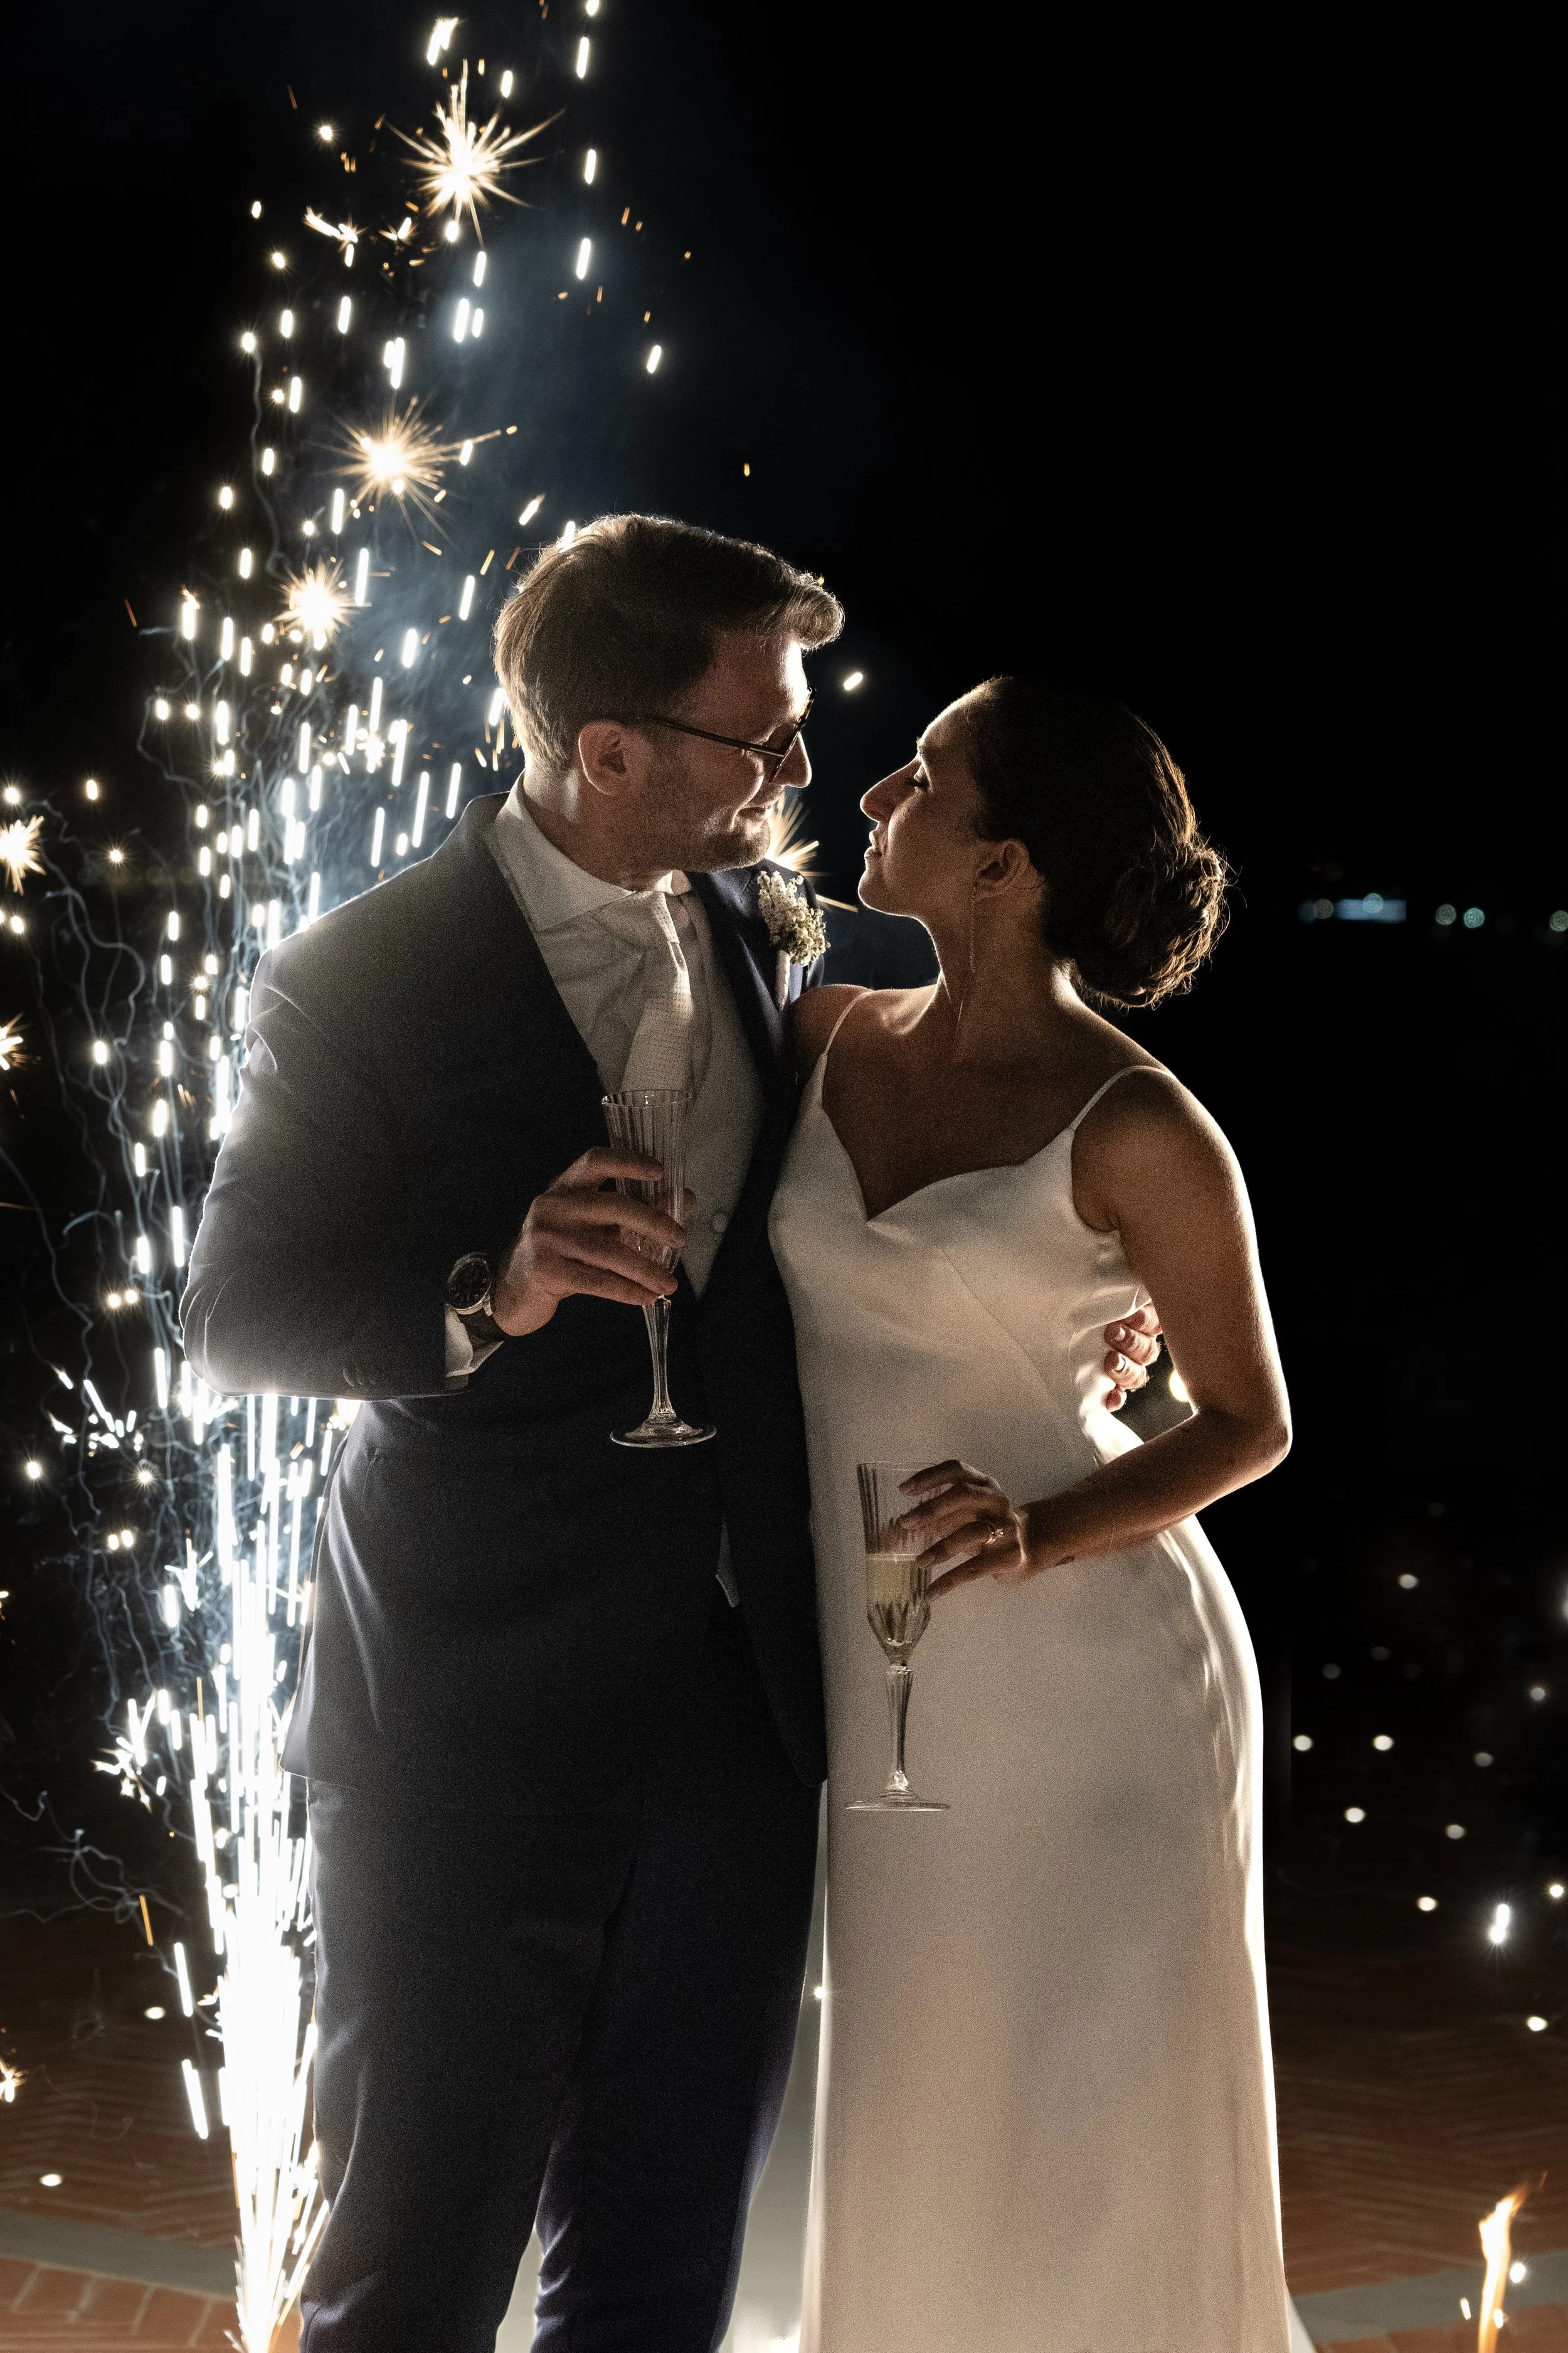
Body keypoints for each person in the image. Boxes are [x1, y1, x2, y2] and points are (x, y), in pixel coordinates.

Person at [180, 516, 1162, 2353]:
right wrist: (497, 1289)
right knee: (416, 2247)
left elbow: (904, 1185)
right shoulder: (358, 979)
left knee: (663, 2250)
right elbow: (233, 1320)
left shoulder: (758, 923)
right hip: (469, 1712)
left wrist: (1070, 1313)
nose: (799, 771)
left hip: (734, 1696)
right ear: (602, 747)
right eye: (758, 737)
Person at [770, 676, 1300, 2352]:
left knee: (1085, 2101)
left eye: (920, 778)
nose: (871, 795)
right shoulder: (820, 1031)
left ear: (1001, 863)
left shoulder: (1139, 1123)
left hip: (1091, 1675)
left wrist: (1038, 1523)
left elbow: (1245, 1418)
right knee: (917, 2059)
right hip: (881, 1652)